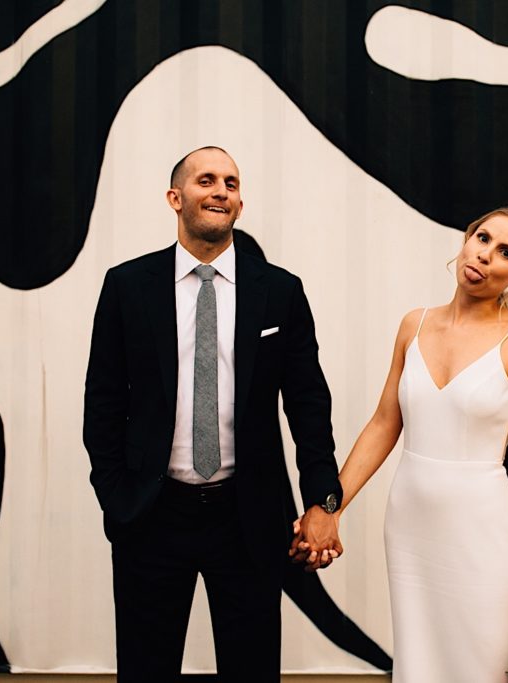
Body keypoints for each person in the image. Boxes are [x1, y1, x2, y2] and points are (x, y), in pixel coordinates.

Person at [83, 146, 343, 682]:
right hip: (152, 515)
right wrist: (116, 496)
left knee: (251, 670)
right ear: (176, 198)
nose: (220, 190)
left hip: (247, 517)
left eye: (231, 182)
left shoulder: (280, 292)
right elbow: (103, 402)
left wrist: (322, 501)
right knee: (145, 669)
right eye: (206, 180)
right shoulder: (127, 286)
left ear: (240, 205)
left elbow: (309, 406)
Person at [295, 207, 508, 680]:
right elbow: (385, 423)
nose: (486, 255)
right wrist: (330, 508)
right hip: (410, 528)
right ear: (467, 239)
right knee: (419, 665)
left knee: (485, 665)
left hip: (482, 530)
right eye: (483, 238)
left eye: (505, 252)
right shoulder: (414, 324)